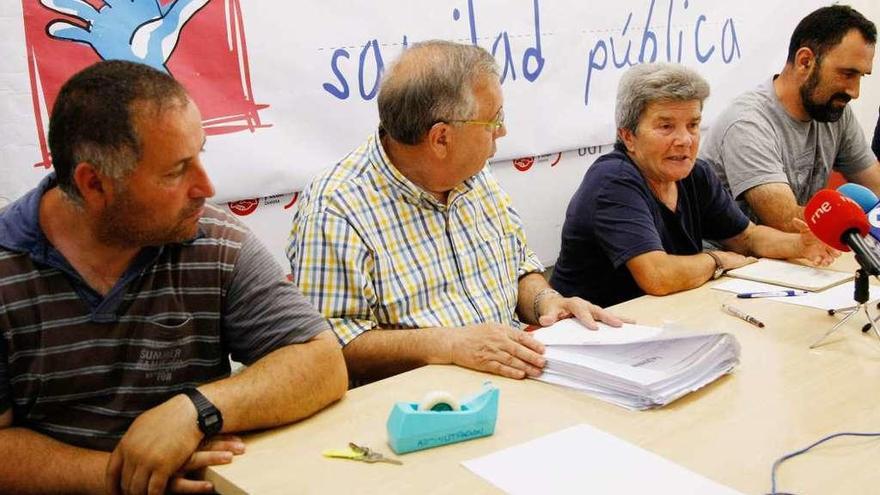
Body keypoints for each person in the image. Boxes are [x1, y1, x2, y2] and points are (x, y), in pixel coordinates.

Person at [0, 61, 347, 494]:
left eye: (200, 155)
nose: (205, 186)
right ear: (94, 184)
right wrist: (131, 476)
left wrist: (197, 409)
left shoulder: (214, 241)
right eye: (175, 171)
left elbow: (321, 361)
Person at [287, 40, 624, 385]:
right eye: (494, 120)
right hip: (422, 404)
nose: (503, 131)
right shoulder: (337, 207)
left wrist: (546, 301)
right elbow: (331, 348)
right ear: (441, 139)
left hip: (512, 379)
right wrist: (448, 343)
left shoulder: (474, 176)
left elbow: (519, 267)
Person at [551, 64, 836, 308]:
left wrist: (800, 244)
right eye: (666, 127)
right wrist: (717, 260)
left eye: (693, 125)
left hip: (661, 320)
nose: (685, 140)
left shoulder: (694, 173)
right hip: (589, 338)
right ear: (628, 137)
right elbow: (658, 276)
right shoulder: (613, 180)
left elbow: (747, 238)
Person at [700, 5, 879, 232]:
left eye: (861, 76)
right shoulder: (747, 123)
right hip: (735, 263)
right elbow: (787, 222)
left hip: (796, 259)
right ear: (805, 61)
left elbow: (876, 187)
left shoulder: (833, 111)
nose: (855, 91)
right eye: (847, 74)